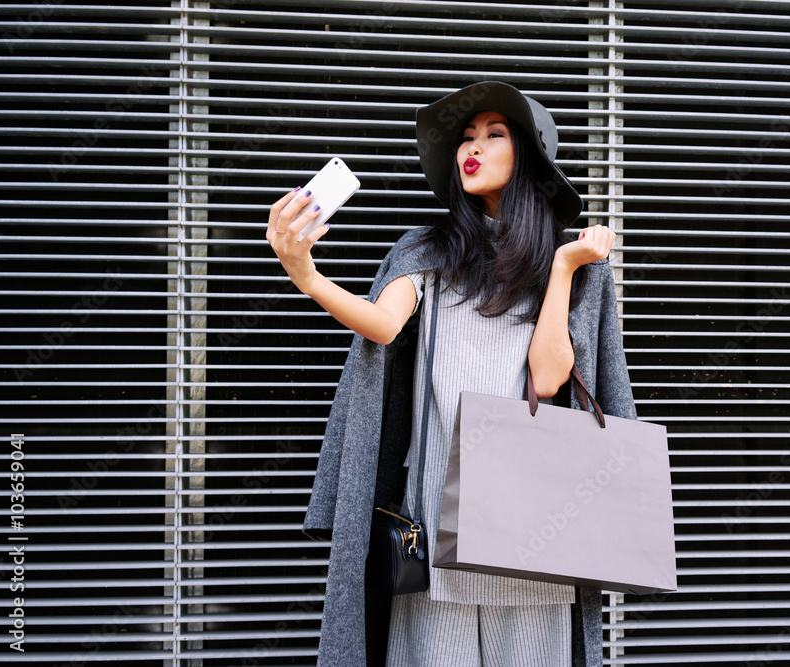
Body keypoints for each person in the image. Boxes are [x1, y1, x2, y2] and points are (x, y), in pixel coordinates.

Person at [267, 81, 637, 667]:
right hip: (435, 533)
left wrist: (565, 266)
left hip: (536, 540)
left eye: (495, 135)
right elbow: (384, 326)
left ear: (530, 158)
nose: (474, 146)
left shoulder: (570, 263)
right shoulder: (426, 251)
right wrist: (306, 274)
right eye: (467, 137)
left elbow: (547, 380)